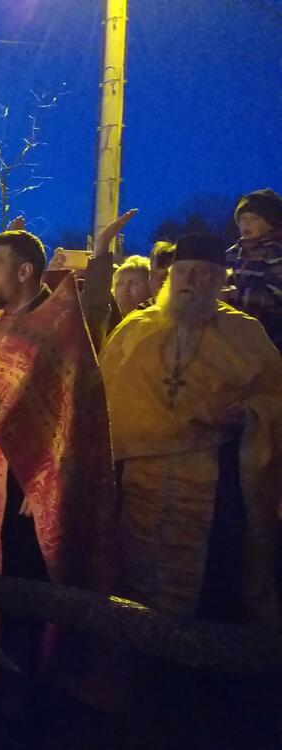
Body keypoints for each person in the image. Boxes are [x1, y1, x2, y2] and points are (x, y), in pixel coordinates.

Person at [0, 225, 121, 707]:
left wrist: (46, 482)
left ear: (25, 270)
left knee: (19, 587)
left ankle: (18, 688)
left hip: (23, 481)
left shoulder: (57, 328)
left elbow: (72, 412)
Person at [101, 232, 282, 624]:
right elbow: (103, 398)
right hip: (138, 480)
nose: (188, 281)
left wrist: (250, 413)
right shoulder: (136, 329)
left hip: (212, 481)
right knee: (134, 573)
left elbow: (275, 401)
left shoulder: (245, 333)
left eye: (201, 274)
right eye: (181, 272)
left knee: (208, 589)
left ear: (220, 279)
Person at [226, 188, 282, 350]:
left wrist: (236, 294)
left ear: (271, 223)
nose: (246, 223)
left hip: (271, 329)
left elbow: (277, 295)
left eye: (254, 218)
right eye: (243, 218)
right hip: (236, 325)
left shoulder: (275, 251)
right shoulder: (234, 252)